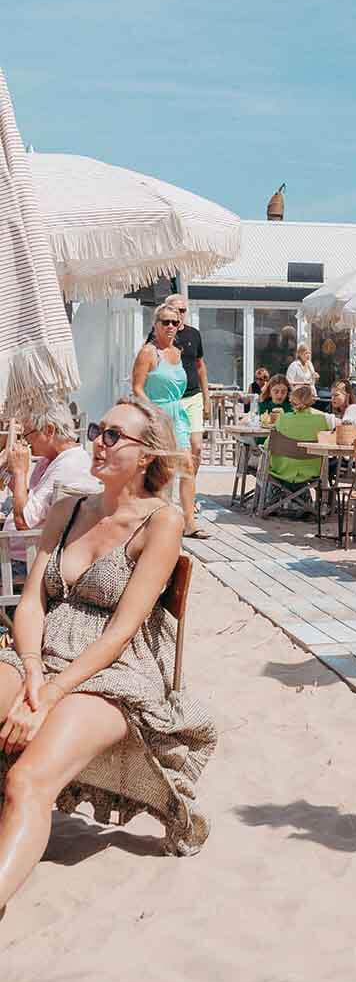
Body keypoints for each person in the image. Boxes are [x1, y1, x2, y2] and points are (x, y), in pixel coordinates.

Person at [0, 397, 218, 910]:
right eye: (99, 429)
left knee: (27, 780)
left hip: (113, 672)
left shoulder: (161, 522)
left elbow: (120, 633)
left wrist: (49, 696)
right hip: (41, 654)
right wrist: (32, 671)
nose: (98, 441)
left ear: (146, 456)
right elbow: (32, 601)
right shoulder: (68, 510)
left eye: (114, 435)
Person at [133, 305, 202, 540]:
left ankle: (189, 521)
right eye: (165, 322)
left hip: (177, 414)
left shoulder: (178, 352)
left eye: (175, 322)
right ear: (155, 325)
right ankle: (158, 518)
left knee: (187, 465)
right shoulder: (148, 353)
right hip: (155, 415)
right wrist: (155, 413)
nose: (171, 326)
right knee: (162, 471)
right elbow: (137, 388)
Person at [1, 399, 98, 557]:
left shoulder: (69, 465)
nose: (25, 440)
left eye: (28, 434)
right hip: (16, 554)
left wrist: (20, 473)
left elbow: (23, 522)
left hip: (24, 560)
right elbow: (33, 504)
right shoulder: (51, 460)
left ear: (49, 430)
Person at [148, 295, 210, 500]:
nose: (179, 316)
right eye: (175, 311)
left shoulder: (194, 334)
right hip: (169, 400)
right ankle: (169, 492)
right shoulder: (159, 336)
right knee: (170, 450)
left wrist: (207, 398)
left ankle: (189, 492)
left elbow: (200, 366)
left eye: (183, 311)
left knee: (196, 447)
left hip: (193, 396)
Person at [267, 385, 332, 500]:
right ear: (311, 401)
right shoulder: (323, 421)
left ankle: (274, 497)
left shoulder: (282, 419)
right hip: (312, 470)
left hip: (282, 469)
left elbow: (268, 444)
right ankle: (301, 498)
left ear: (292, 401)